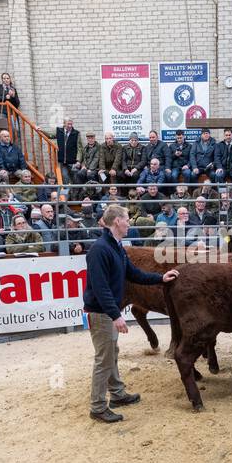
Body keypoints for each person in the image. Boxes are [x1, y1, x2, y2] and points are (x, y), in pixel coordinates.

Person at [82, 205, 178, 423]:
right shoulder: (100, 249)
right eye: (126, 219)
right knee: (104, 359)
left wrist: (160, 278)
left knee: (110, 354)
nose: (129, 223)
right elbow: (100, 287)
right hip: (101, 313)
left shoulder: (116, 246)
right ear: (117, 221)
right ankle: (97, 407)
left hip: (105, 312)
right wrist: (116, 315)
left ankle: (117, 394)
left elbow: (133, 274)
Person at [55, 118, 81, 185]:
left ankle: (77, 192)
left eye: (71, 124)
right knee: (65, 177)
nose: (70, 126)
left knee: (75, 178)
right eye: (68, 124)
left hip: (73, 161)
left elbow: (79, 148)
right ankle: (68, 192)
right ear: (64, 124)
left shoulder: (76, 133)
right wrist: (41, 130)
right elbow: (50, 135)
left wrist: (78, 160)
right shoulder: (59, 131)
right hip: (63, 161)